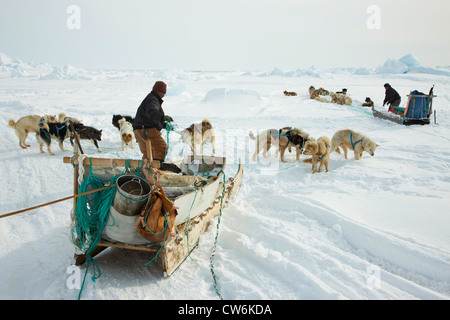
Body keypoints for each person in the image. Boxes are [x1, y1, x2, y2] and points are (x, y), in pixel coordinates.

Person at [133, 81, 171, 165]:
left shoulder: (151, 98)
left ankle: (145, 172)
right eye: (163, 93)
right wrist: (163, 117)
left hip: (139, 129)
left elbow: (150, 118)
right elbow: (151, 113)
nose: (164, 95)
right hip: (146, 130)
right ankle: (156, 170)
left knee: (148, 153)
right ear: (159, 91)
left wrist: (163, 125)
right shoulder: (153, 100)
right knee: (161, 148)